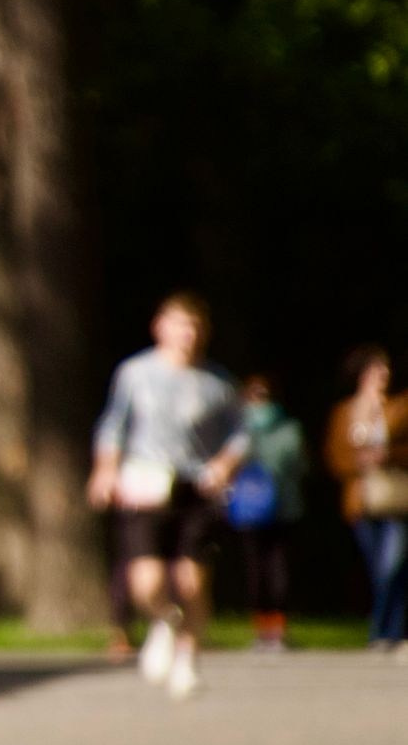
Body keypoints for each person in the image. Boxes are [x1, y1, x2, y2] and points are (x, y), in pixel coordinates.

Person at [87, 292, 248, 700]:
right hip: (146, 484)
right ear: (159, 327)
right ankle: (163, 620)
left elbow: (241, 435)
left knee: (192, 581)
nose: (186, 334)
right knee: (147, 581)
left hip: (197, 487)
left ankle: (187, 661)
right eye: (179, 324)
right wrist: (105, 470)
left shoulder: (217, 383)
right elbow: (113, 425)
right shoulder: (135, 373)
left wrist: (224, 465)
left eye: (194, 326)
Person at [325, 346, 408, 653]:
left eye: (385, 369)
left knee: (393, 564)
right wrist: (358, 461)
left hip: (395, 498)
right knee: (377, 567)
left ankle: (385, 631)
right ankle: (388, 630)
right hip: (360, 498)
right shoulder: (345, 411)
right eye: (376, 369)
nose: (383, 374)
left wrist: (389, 455)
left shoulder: (400, 406)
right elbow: (334, 455)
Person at [225, 374, 307, 651]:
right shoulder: (237, 430)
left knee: (279, 568)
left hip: (283, 508)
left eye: (264, 395)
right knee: (255, 570)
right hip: (248, 509)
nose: (259, 402)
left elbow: (298, 464)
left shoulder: (289, 429)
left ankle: (279, 628)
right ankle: (261, 628)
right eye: (254, 395)